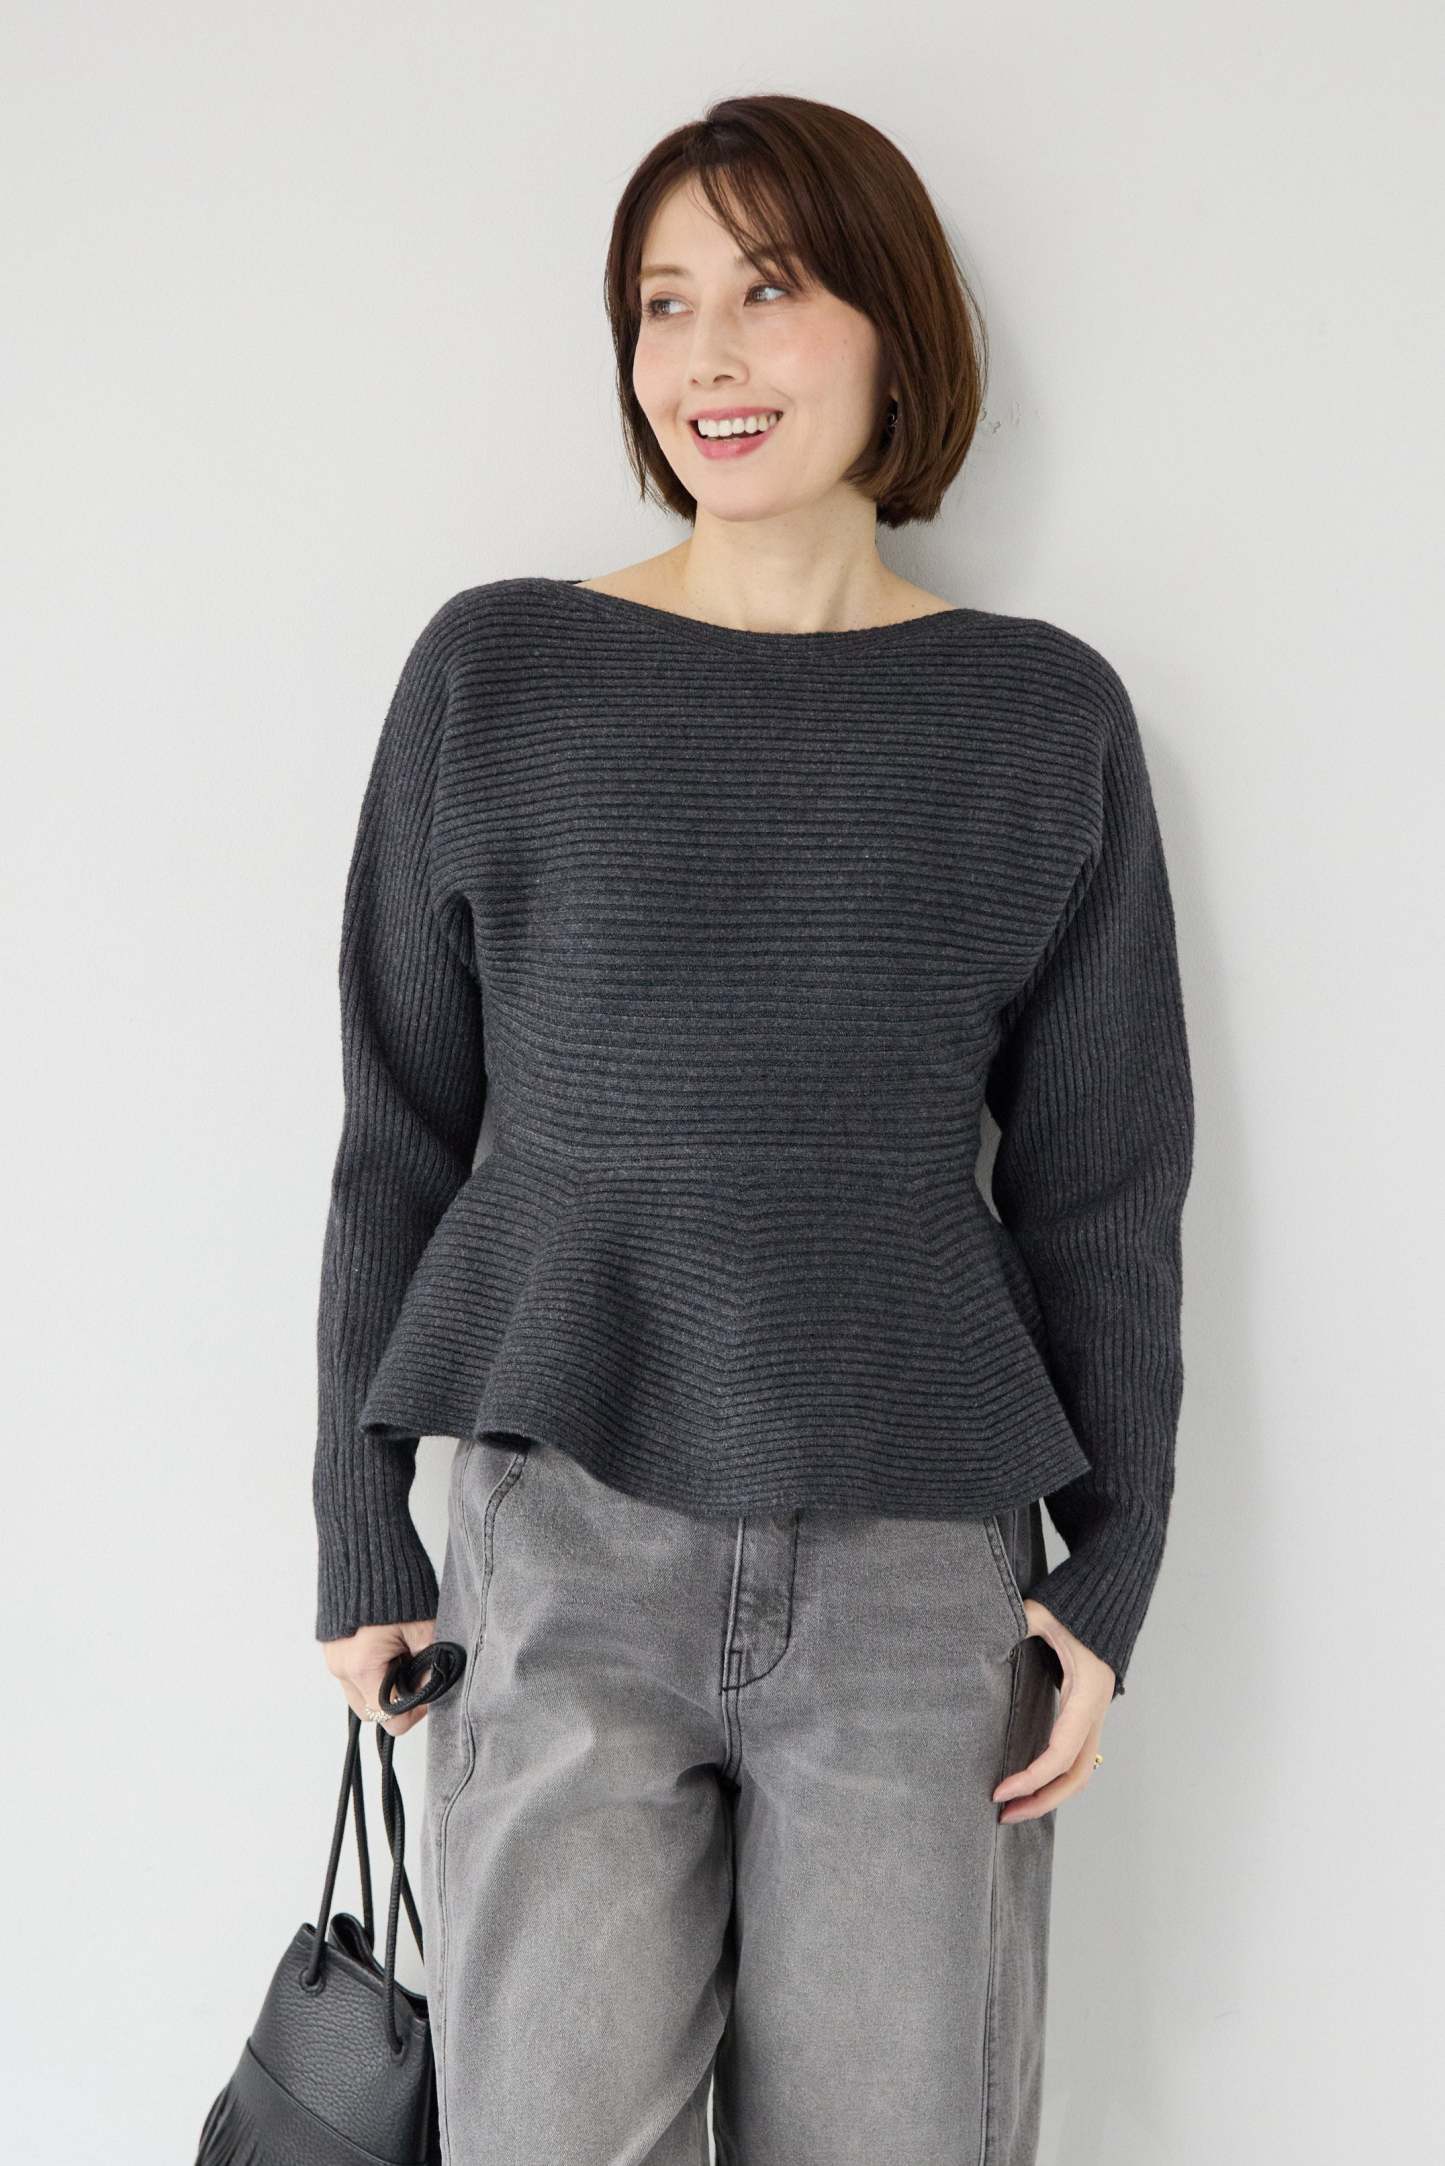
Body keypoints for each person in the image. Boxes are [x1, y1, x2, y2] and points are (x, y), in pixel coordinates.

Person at [311, 92, 1195, 2166]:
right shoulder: (498, 674)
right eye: (662, 304)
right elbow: (396, 1125)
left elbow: (1103, 1185)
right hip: (558, 1542)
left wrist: (1114, 1562)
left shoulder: (1041, 714)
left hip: (919, 1578)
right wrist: (359, 1518)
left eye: (769, 292)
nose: (704, 355)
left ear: (894, 329)